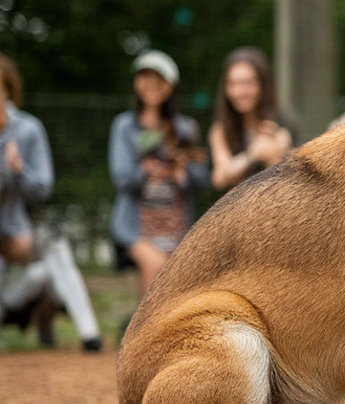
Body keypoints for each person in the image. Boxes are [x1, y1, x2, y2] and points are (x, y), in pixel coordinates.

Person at [0, 53, 103, 351]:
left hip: (18, 228)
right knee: (38, 275)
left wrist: (18, 171)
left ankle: (89, 333)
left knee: (55, 250)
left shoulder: (28, 129)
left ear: (8, 90)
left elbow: (42, 188)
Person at [109, 49, 209, 298]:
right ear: (136, 82)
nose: (152, 83)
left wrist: (181, 172)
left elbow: (202, 178)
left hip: (177, 227)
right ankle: (145, 324)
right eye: (145, 76)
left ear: (170, 84)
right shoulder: (124, 127)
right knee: (155, 269)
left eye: (159, 78)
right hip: (136, 228)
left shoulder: (185, 128)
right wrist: (145, 167)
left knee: (177, 288)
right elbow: (122, 178)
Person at [209, 47, 295, 191]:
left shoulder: (285, 123)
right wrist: (253, 153)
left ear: (263, 84)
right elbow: (219, 178)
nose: (238, 92)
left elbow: (294, 180)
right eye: (232, 84)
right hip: (237, 204)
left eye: (247, 83)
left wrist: (278, 154)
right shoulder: (221, 127)